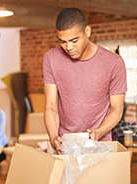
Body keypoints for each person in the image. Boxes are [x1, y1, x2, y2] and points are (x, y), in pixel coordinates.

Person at [43, 7, 127, 155]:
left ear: (87, 31)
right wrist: (53, 137)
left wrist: (99, 132)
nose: (69, 47)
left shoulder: (114, 62)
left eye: (74, 40)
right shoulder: (51, 58)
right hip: (65, 145)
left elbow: (116, 109)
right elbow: (51, 106)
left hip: (100, 146)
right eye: (62, 41)